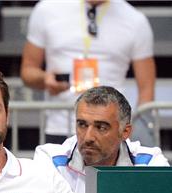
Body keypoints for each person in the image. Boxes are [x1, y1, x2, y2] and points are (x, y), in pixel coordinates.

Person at [20, 0, 156, 144]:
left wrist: (134, 127)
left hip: (109, 130)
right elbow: (27, 71)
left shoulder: (136, 20)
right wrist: (45, 79)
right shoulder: (46, 9)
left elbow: (147, 88)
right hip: (60, 126)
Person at [34, 86, 169, 193]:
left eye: (101, 127)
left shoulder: (150, 163)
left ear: (125, 132)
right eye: (82, 125)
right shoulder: (50, 160)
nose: (88, 137)